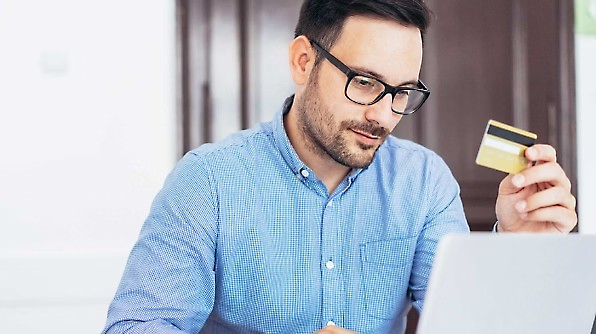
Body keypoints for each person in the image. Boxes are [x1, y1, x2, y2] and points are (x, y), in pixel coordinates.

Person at [102, 0, 577, 333]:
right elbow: (134, 328)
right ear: (304, 60)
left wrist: (517, 254)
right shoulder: (208, 183)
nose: (384, 115)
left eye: (402, 92)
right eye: (366, 83)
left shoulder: (423, 182)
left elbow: (468, 322)